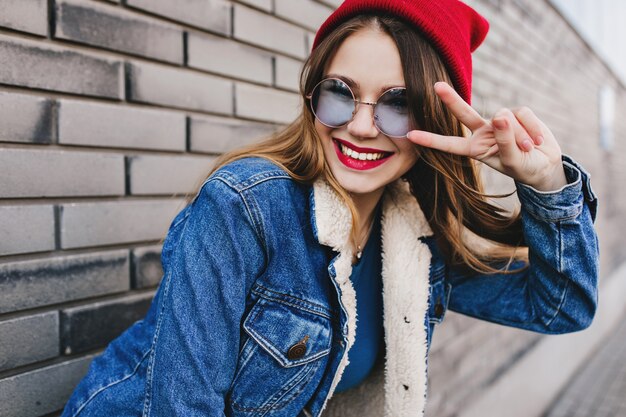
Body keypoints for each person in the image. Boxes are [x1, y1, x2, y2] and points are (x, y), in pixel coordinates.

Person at [60, 0, 599, 416]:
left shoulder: (413, 238)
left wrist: (547, 183)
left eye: (399, 103)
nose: (361, 126)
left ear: (434, 124)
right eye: (340, 93)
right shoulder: (247, 206)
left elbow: (562, 307)